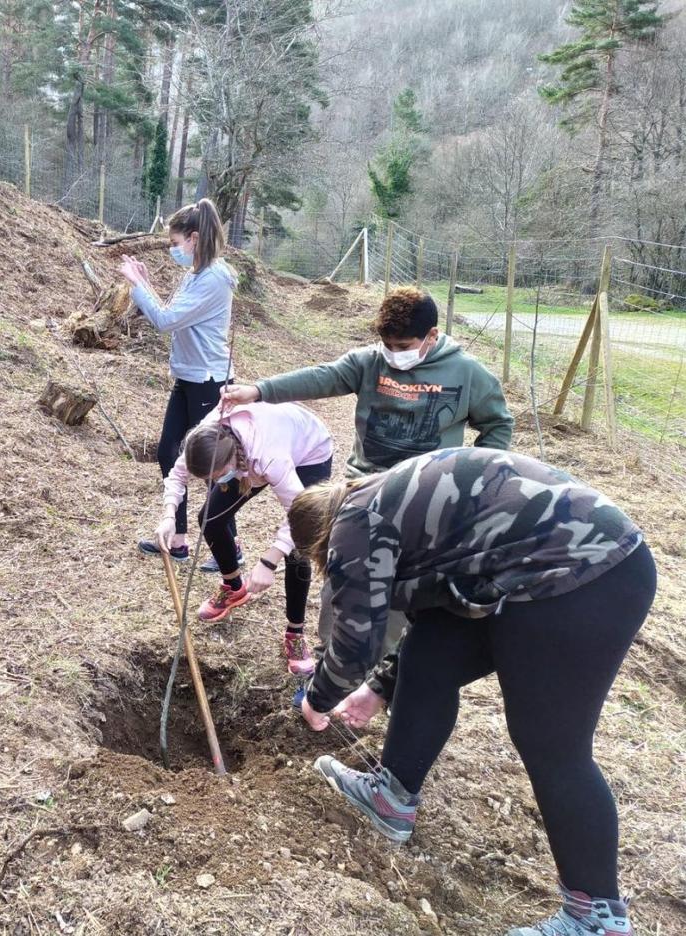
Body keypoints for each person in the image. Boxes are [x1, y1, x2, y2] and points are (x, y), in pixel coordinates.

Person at [287, 447, 653, 936]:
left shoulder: (355, 527)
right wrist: (378, 689)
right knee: (431, 654)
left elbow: (357, 640)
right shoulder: (384, 499)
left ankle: (596, 918)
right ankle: (391, 798)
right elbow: (436, 611)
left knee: (552, 745)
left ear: (322, 544)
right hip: (536, 567)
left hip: (584, 573)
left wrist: (318, 697)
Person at [221, 287, 514, 719]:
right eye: (388, 345)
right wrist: (258, 391)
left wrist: (471, 477)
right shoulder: (370, 363)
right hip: (360, 493)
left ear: (431, 336)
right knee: (341, 582)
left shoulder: (467, 373)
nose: (394, 354)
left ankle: (380, 681)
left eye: (404, 346)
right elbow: (321, 377)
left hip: (422, 502)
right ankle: (327, 669)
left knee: (401, 593)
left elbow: (498, 425)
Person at [154, 402, 332, 669]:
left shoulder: (268, 456)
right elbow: (178, 476)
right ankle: (234, 587)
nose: (216, 482)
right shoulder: (202, 441)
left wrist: (269, 562)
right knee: (210, 519)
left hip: (308, 449)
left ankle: (295, 633)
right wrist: (169, 515)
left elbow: (301, 516)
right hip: (249, 452)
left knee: (299, 547)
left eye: (219, 476)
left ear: (231, 462)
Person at [119, 198, 237, 567]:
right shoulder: (195, 274)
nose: (173, 250)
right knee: (169, 452)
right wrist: (147, 286)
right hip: (187, 376)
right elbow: (172, 313)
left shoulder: (215, 278)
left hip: (208, 380)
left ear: (194, 238)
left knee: (212, 463)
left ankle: (229, 547)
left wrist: (138, 286)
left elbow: (167, 321)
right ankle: (180, 539)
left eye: (175, 243)